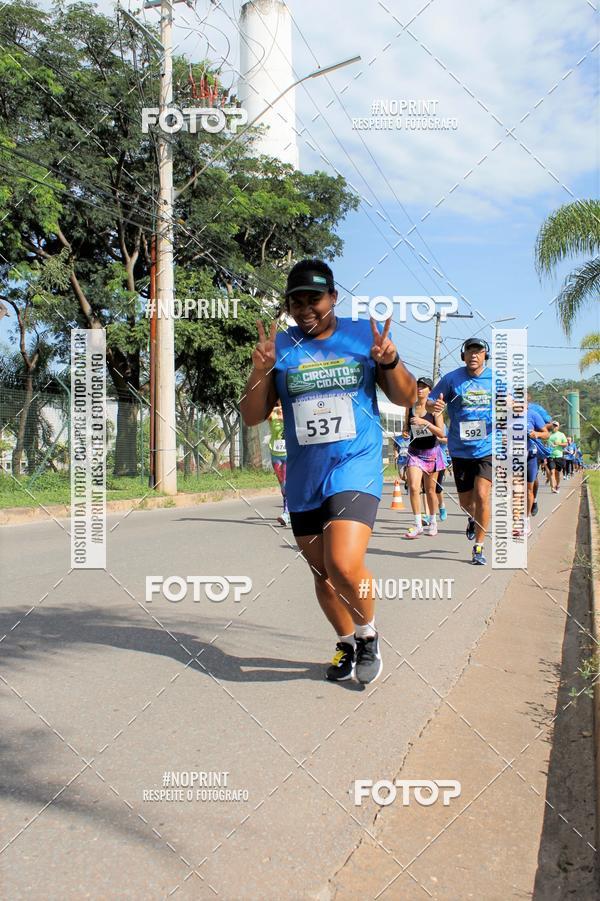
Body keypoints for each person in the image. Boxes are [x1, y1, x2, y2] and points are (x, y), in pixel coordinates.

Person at [239, 258, 416, 684]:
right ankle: (345, 641)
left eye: (314, 299)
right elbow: (251, 416)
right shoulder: (279, 348)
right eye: (296, 301)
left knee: (343, 562)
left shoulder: (362, 335)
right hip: (305, 476)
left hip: (356, 466)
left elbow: (407, 397)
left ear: (333, 297)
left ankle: (368, 635)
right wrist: (260, 371)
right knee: (322, 572)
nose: (305, 308)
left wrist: (389, 361)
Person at [428, 337, 493, 565]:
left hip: (487, 448)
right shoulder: (452, 379)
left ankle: (479, 547)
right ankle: (472, 518)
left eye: (479, 351)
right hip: (460, 449)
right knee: (467, 502)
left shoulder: (496, 379)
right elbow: (430, 401)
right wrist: (432, 406)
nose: (474, 355)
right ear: (463, 356)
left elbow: (510, 401)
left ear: (485, 355)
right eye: (469, 351)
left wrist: (514, 406)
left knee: (483, 495)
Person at [403, 377, 446, 538]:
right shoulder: (409, 407)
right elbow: (406, 428)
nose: (419, 389)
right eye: (418, 386)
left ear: (430, 390)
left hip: (432, 453)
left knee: (430, 491)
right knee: (414, 487)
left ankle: (433, 521)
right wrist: (406, 432)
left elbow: (441, 433)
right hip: (414, 452)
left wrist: (423, 422)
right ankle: (418, 524)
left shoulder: (435, 408)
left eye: (424, 387)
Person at [526, 406, 550, 535]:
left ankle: (534, 500)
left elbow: (549, 426)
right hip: (513, 454)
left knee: (533, 480)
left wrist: (536, 432)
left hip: (534, 449)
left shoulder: (537, 410)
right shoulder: (507, 412)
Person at [266, 403, 289, 526]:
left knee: (286, 483)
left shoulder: (290, 413)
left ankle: (286, 512)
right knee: (282, 486)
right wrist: (276, 409)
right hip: (276, 454)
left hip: (289, 454)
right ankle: (289, 511)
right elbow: (264, 412)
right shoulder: (272, 415)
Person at [546, 421, 568, 493]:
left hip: (559, 456)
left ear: (558, 427)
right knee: (552, 472)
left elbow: (566, 444)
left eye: (556, 426)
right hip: (551, 456)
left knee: (557, 473)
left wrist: (559, 443)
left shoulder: (561, 435)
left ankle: (557, 485)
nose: (554, 427)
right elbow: (546, 444)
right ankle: (553, 488)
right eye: (553, 426)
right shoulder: (549, 435)